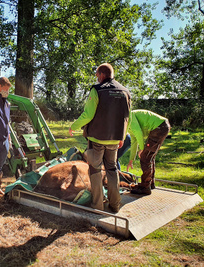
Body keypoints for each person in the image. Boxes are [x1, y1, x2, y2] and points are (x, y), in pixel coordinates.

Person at [69, 63, 131, 212]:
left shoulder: (97, 90)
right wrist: (122, 136)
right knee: (112, 169)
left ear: (102, 74)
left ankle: (97, 205)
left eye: (97, 75)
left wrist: (74, 126)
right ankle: (115, 204)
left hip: (97, 139)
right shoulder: (125, 91)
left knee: (95, 171)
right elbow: (127, 116)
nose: (97, 78)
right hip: (115, 140)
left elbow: (88, 115)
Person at [127, 109, 171, 195]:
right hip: (161, 126)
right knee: (149, 156)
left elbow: (138, 132)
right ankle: (150, 184)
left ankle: (145, 187)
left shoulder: (129, 117)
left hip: (159, 127)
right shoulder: (128, 126)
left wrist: (142, 148)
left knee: (145, 157)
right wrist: (131, 160)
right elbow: (134, 141)